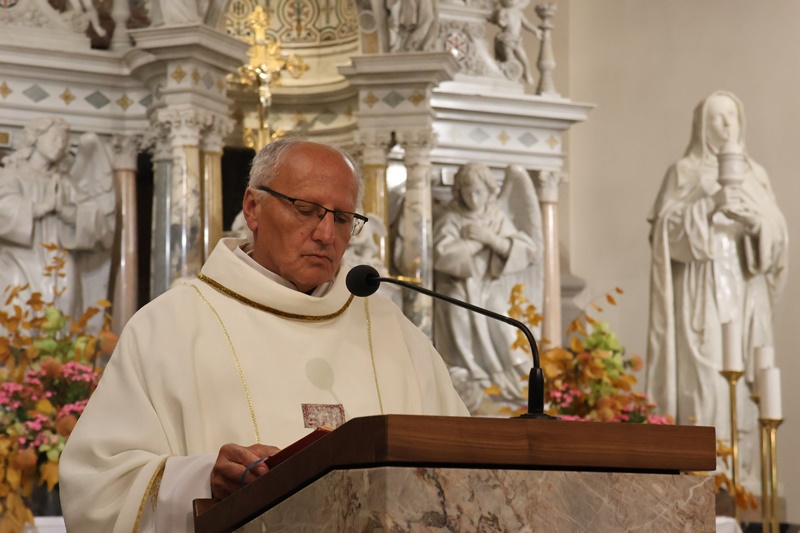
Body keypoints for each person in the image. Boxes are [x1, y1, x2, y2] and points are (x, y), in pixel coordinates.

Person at [59, 138, 469, 532]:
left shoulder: (393, 332)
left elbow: (464, 470)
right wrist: (203, 478)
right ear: (253, 208)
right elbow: (98, 485)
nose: (326, 234)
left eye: (343, 218)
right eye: (306, 210)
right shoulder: (170, 326)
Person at [646, 91, 788, 488]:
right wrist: (708, 206)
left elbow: (778, 237)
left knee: (745, 390)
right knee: (706, 383)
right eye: (717, 118)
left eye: (732, 117)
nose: (727, 126)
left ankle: (743, 482)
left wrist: (757, 224)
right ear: (701, 126)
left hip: (744, 291)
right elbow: (663, 234)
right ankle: (704, 476)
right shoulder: (683, 172)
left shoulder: (756, 175)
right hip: (701, 292)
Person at [433, 162, 541, 409]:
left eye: (479, 192)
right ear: (458, 192)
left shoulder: (496, 217)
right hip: (457, 289)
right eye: (468, 192)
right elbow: (442, 256)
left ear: (489, 191)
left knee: (504, 327)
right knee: (459, 319)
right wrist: (474, 244)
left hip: (489, 288)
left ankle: (514, 383)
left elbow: (527, 251)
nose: (473, 198)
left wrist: (490, 239)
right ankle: (473, 377)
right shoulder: (451, 219)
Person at [0, 117, 113, 319]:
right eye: (54, 138)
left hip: (59, 263)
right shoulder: (10, 175)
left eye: (64, 141)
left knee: (63, 313)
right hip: (19, 259)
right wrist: (38, 208)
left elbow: (101, 228)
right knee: (18, 311)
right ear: (36, 138)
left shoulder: (65, 183)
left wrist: (67, 212)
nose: (60, 145)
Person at [490, 0, 542, 85]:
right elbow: (501, 23)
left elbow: (526, 23)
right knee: (509, 57)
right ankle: (510, 74)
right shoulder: (504, 11)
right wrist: (501, 19)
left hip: (517, 40)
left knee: (524, 58)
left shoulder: (519, 13)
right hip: (506, 39)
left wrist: (535, 31)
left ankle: (527, 73)